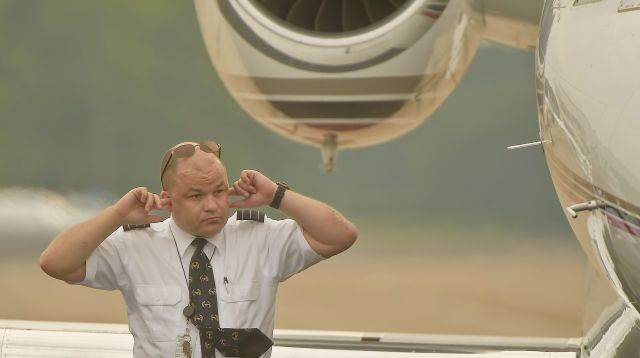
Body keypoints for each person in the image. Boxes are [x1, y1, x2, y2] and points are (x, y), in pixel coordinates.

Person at [39, 140, 358, 358]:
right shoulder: (137, 245)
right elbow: (56, 263)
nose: (212, 206)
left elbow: (339, 236)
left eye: (219, 191)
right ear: (168, 199)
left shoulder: (260, 239)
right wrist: (117, 215)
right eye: (195, 196)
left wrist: (277, 195)